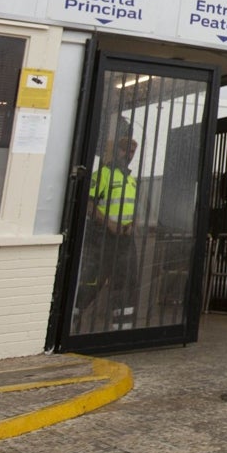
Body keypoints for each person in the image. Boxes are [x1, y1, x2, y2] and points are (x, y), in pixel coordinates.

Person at [75, 116, 140, 331]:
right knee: (94, 280)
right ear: (115, 151)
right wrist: (109, 223)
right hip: (102, 236)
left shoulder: (131, 179)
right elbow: (89, 204)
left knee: (127, 281)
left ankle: (122, 329)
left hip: (125, 238)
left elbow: (132, 206)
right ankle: (73, 316)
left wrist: (132, 224)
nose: (128, 155)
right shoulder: (102, 174)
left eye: (131, 152)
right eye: (124, 150)